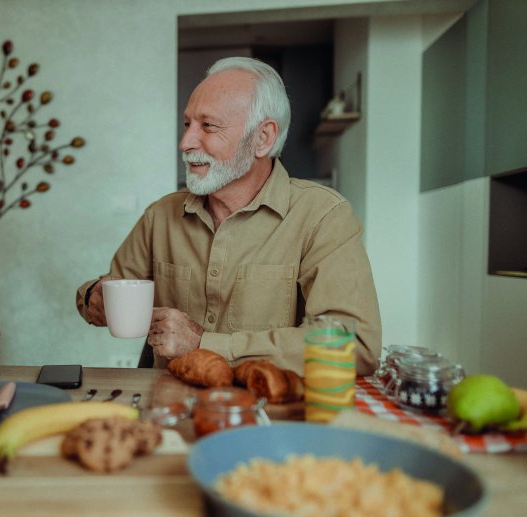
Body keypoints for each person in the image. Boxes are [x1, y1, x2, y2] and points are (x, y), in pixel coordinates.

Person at [76, 57, 381, 377]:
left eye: (208, 126)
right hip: (168, 405)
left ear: (263, 138)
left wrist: (205, 344)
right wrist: (95, 298)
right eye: (187, 124)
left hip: (268, 409)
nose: (185, 143)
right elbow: (106, 292)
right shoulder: (161, 215)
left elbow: (354, 345)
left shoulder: (323, 216)